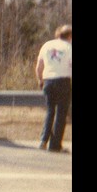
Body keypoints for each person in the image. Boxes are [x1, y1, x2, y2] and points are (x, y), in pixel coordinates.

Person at [35, 24, 72, 152]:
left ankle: (43, 140)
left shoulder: (47, 45)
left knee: (50, 111)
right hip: (63, 81)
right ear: (69, 36)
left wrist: (40, 80)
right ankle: (55, 145)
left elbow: (39, 66)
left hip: (48, 81)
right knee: (61, 113)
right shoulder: (69, 47)